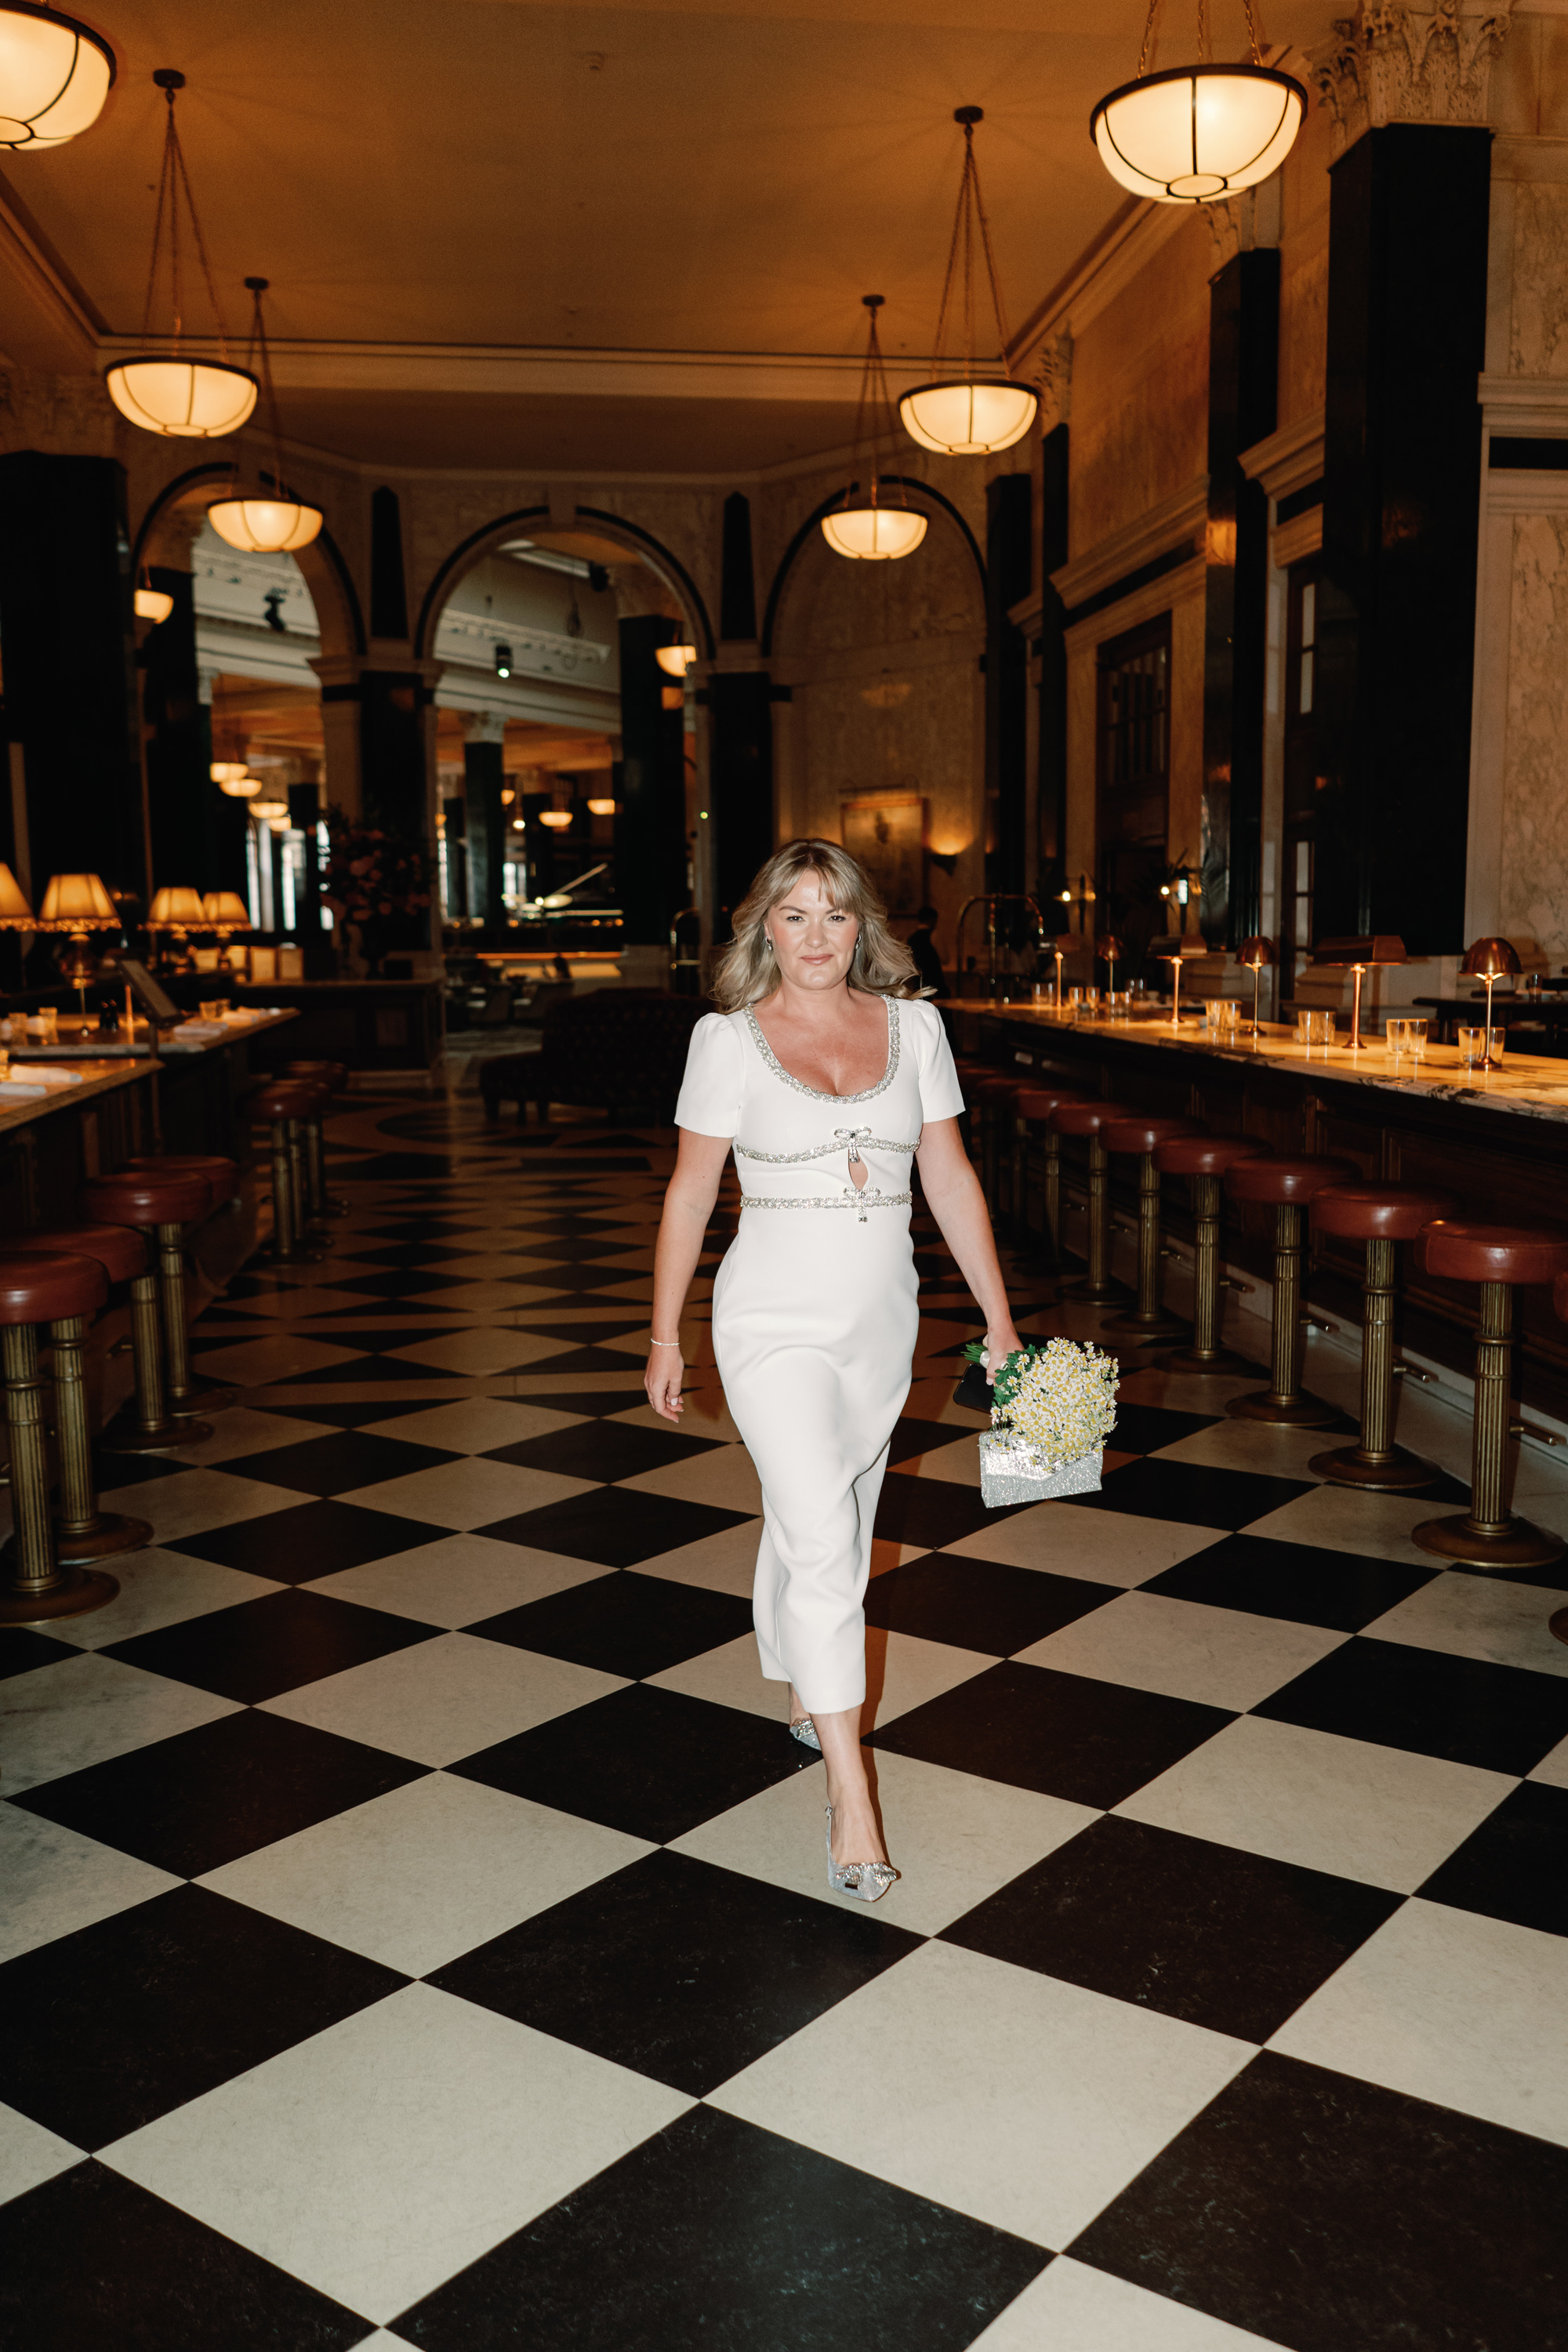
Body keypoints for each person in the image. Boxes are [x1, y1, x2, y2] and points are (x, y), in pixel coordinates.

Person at [646, 840, 1022, 1901]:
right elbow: (688, 1194)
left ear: (866, 928)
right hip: (770, 1317)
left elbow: (948, 1178)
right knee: (819, 1531)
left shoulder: (918, 1028)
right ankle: (851, 1794)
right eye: (795, 915)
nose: (817, 937)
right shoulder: (725, 1040)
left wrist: (997, 1316)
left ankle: (806, 1673)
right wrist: (665, 1332)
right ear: (763, 926)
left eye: (836, 916)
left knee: (840, 1515)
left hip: (881, 1319)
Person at [906, 904, 945, 1000]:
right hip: (934, 986)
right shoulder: (934, 936)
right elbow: (945, 958)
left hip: (917, 986)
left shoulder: (910, 938)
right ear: (932, 920)